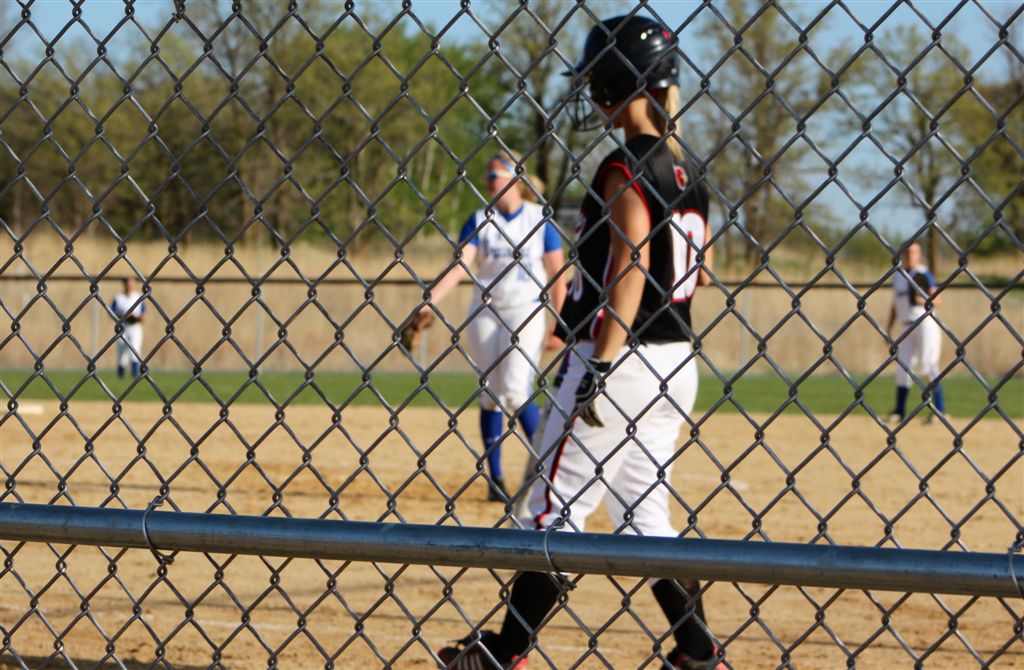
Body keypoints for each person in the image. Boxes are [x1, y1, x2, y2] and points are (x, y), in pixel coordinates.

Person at [438, 14, 724, 670]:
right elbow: (700, 271)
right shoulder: (688, 171)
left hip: (619, 359)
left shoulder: (625, 165)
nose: (593, 94)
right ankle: (699, 653)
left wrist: (601, 362)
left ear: (622, 84)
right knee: (644, 518)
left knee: (552, 510)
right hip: (676, 359)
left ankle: (504, 653)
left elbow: (629, 266)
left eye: (599, 81)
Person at [419, 150, 566, 502]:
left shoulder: (538, 218)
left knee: (516, 390)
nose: (488, 183)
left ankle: (547, 471)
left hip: (526, 311)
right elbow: (461, 266)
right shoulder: (479, 219)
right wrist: (429, 301)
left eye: (494, 176)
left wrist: (561, 323)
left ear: (516, 178)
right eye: (487, 178)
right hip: (485, 312)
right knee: (490, 395)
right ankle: (495, 479)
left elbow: (557, 275)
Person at [885, 242, 945, 424]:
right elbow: (896, 304)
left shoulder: (923, 274)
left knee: (928, 365)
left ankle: (940, 411)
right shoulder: (898, 276)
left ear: (919, 255)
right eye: (907, 252)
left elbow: (938, 300)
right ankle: (899, 411)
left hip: (925, 323)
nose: (910, 256)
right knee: (903, 367)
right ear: (902, 255)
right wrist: (888, 328)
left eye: (914, 253)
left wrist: (924, 299)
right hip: (905, 326)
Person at [110, 276, 146, 379]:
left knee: (135, 351)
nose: (129, 286)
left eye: (131, 283)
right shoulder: (119, 298)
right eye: (128, 283)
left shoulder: (138, 297)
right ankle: (120, 377)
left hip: (135, 327)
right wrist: (124, 316)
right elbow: (112, 312)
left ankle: (134, 376)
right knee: (122, 353)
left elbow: (143, 316)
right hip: (122, 327)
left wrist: (135, 317)